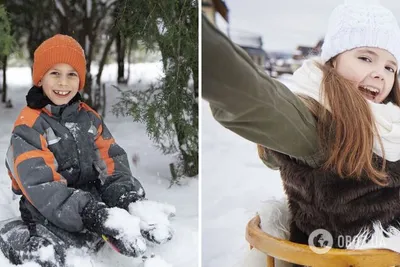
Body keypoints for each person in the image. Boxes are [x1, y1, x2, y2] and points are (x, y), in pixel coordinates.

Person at [203, 0, 400, 255]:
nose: (379, 74)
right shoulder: (317, 123)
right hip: (341, 258)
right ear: (333, 62)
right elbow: (253, 97)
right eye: (365, 58)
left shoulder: (390, 119)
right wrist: (205, 47)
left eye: (389, 67)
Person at [1, 34, 173, 267]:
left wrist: (124, 200)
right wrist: (92, 214)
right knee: (55, 255)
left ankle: (131, 218)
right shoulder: (29, 126)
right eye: (55, 74)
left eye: (72, 74)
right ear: (40, 79)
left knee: (119, 215)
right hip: (45, 207)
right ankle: (17, 237)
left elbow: (111, 161)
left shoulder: (88, 118)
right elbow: (41, 186)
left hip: (91, 200)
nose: (63, 83)